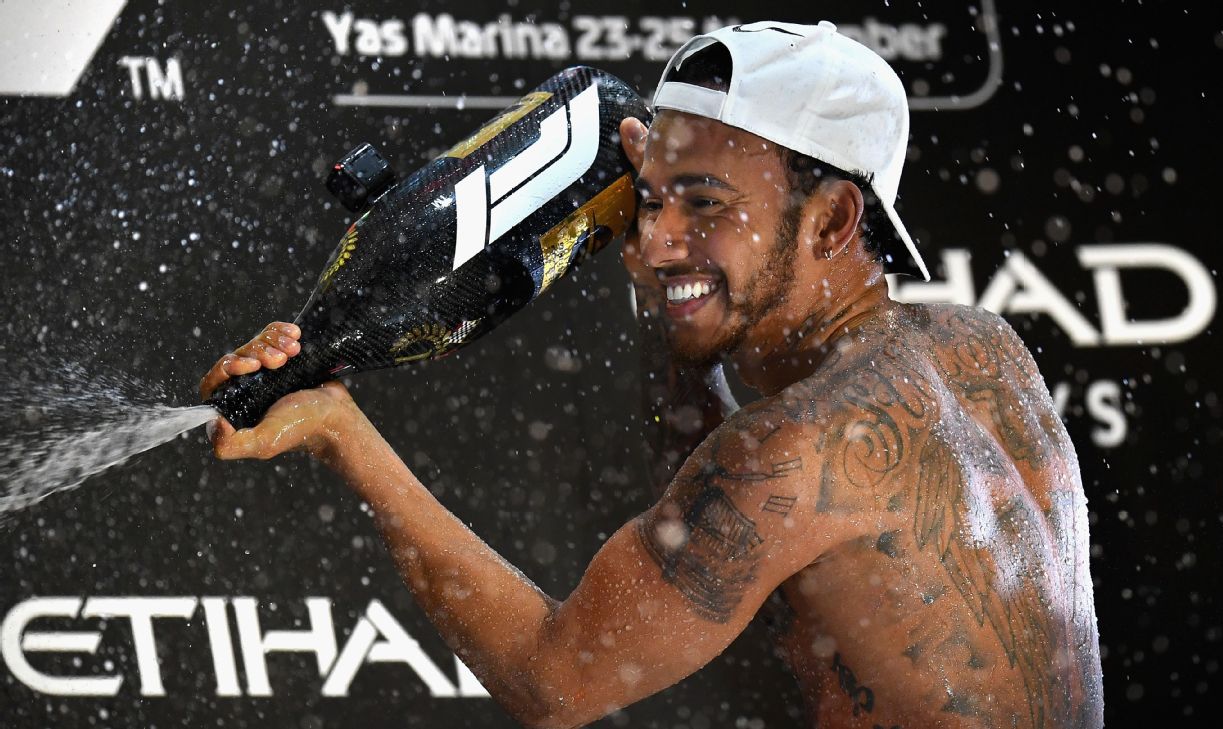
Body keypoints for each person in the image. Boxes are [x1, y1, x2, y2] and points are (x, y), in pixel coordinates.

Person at [199, 21, 1102, 729]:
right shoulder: (980, 350)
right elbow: (712, 508)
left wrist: (342, 433)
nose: (659, 240)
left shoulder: (795, 449)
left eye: (705, 203)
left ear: (832, 220)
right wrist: (680, 297)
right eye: (651, 199)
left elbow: (552, 679)